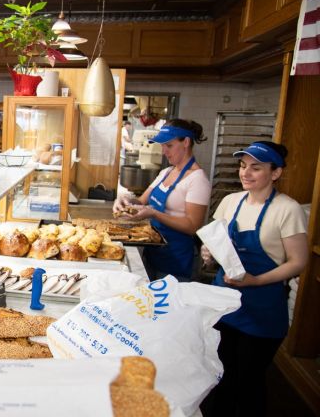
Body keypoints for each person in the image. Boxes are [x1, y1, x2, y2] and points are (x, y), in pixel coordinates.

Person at [201, 141, 308, 417]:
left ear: (276, 173)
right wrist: (209, 252)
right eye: (243, 166)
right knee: (219, 376)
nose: (245, 173)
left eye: (256, 168)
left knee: (248, 383)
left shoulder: (287, 209)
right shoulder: (229, 202)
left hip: (261, 309)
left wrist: (256, 281)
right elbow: (217, 243)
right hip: (225, 304)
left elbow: (299, 262)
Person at [112, 119, 211, 281]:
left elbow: (192, 226)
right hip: (154, 252)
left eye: (169, 145)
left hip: (177, 259)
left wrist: (154, 214)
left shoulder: (197, 179)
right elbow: (142, 200)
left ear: (186, 142)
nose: (164, 151)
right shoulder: (166, 172)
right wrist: (125, 199)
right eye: (163, 145)